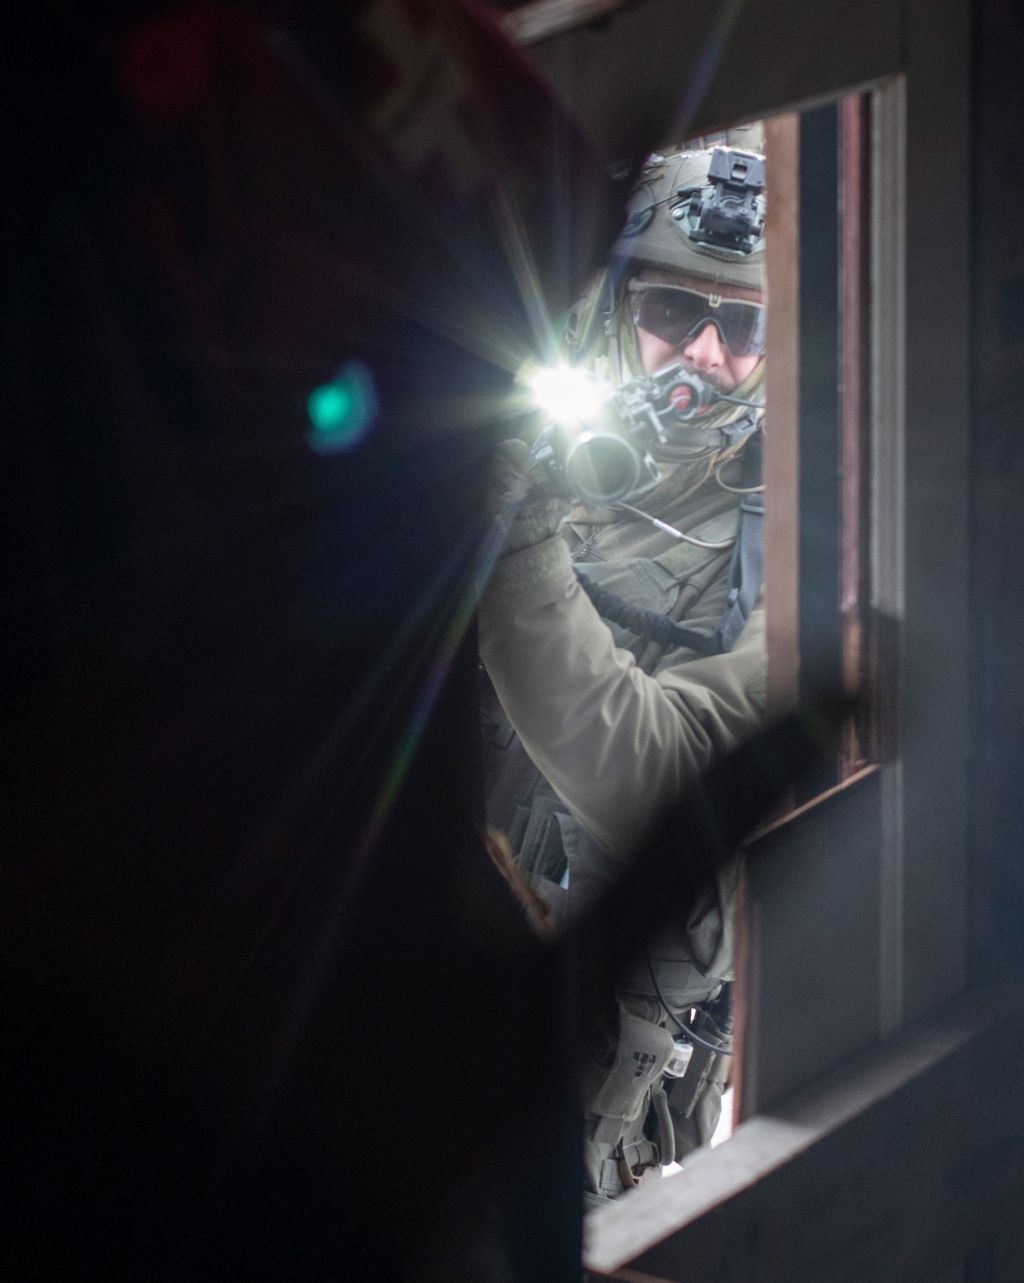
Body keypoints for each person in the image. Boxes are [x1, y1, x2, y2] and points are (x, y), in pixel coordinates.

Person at [479, 138, 768, 1202]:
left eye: (742, 328)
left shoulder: (799, 537)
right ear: (616, 310)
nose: (701, 354)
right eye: (670, 315)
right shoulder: (529, 435)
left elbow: (664, 776)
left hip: (594, 1064)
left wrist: (513, 541)